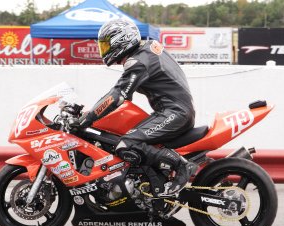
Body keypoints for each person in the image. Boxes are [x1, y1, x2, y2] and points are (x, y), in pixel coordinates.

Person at [77, 18, 197, 197]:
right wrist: (92, 111)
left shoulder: (138, 62)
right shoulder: (147, 49)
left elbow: (117, 96)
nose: (104, 49)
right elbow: (122, 95)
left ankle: (182, 166)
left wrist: (87, 118)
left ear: (120, 40)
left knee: (127, 144)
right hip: (175, 110)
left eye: (106, 43)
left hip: (175, 113)